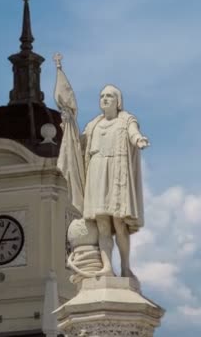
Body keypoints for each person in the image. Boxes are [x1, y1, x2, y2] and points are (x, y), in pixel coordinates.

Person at [79, 84, 149, 277]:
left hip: (117, 175)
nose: (105, 99)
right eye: (102, 96)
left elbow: (133, 133)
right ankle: (107, 266)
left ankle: (126, 267)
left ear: (118, 101)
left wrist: (139, 140)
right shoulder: (93, 125)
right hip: (97, 171)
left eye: (109, 96)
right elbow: (80, 142)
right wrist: (67, 127)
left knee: (119, 223)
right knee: (102, 223)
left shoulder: (125, 120)